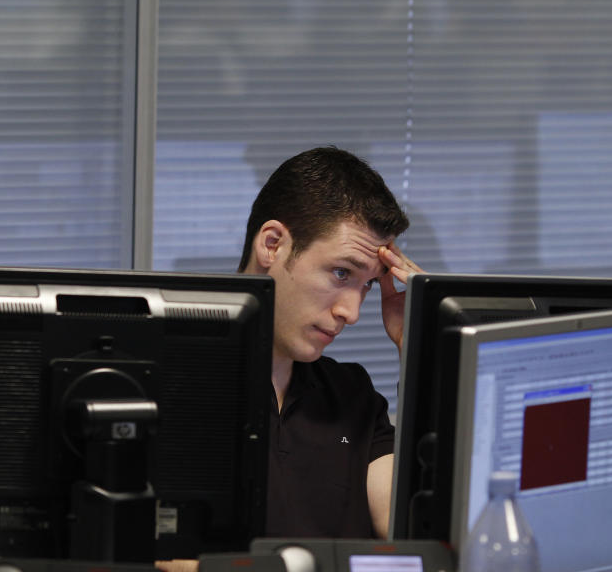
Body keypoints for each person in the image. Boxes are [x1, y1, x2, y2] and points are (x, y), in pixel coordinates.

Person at [156, 146, 422, 572]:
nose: (351, 313)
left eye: (368, 285)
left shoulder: (352, 395)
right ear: (273, 245)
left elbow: (412, 533)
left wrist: (419, 347)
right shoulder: (163, 389)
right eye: (341, 273)